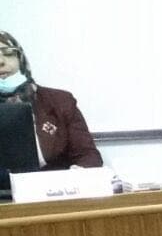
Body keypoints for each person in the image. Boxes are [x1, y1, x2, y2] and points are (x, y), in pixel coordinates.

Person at [0, 31, 102, 170]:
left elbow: (88, 155)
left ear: (21, 59)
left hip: (52, 181)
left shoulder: (60, 101)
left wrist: (79, 172)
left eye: (8, 53)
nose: (1, 61)